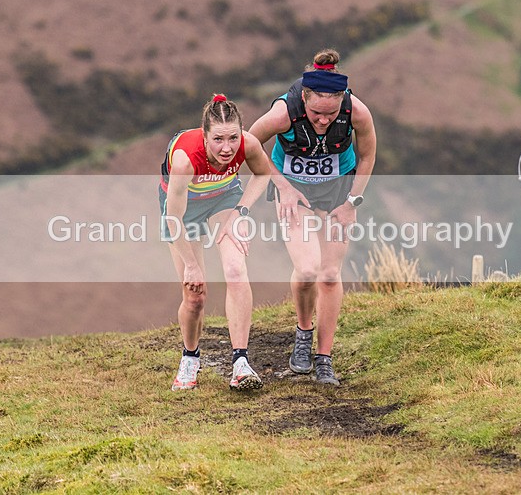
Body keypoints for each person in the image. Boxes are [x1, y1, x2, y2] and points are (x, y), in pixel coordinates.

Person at [248, 49, 377, 386]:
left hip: (338, 190)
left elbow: (368, 155)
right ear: (304, 99)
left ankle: (324, 358)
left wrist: (352, 202)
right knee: (307, 269)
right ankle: (303, 334)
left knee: (330, 275)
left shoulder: (357, 112)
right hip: (295, 191)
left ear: (342, 102)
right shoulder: (283, 113)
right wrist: (282, 187)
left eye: (331, 114)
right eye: (317, 113)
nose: (323, 121)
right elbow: (249, 143)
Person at [160, 94, 272, 391]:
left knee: (236, 272)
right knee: (194, 294)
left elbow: (263, 173)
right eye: (218, 139)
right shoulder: (185, 160)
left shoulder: (247, 144)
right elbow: (173, 221)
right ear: (205, 136)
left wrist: (241, 211)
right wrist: (193, 266)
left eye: (233, 137)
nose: (227, 147)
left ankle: (241, 363)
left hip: (225, 198)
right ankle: (190, 358)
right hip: (185, 210)